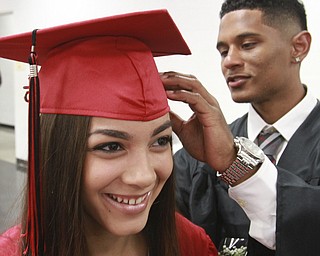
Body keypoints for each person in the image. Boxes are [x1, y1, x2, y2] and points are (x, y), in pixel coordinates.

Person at [0, 10, 218, 256]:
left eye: (160, 141)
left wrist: (232, 162)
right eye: (111, 146)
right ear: (56, 152)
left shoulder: (191, 244)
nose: (144, 177)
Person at [160, 0, 320, 255]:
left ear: (298, 46)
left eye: (247, 45)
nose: (230, 62)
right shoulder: (193, 160)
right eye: (223, 51)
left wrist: (234, 163)